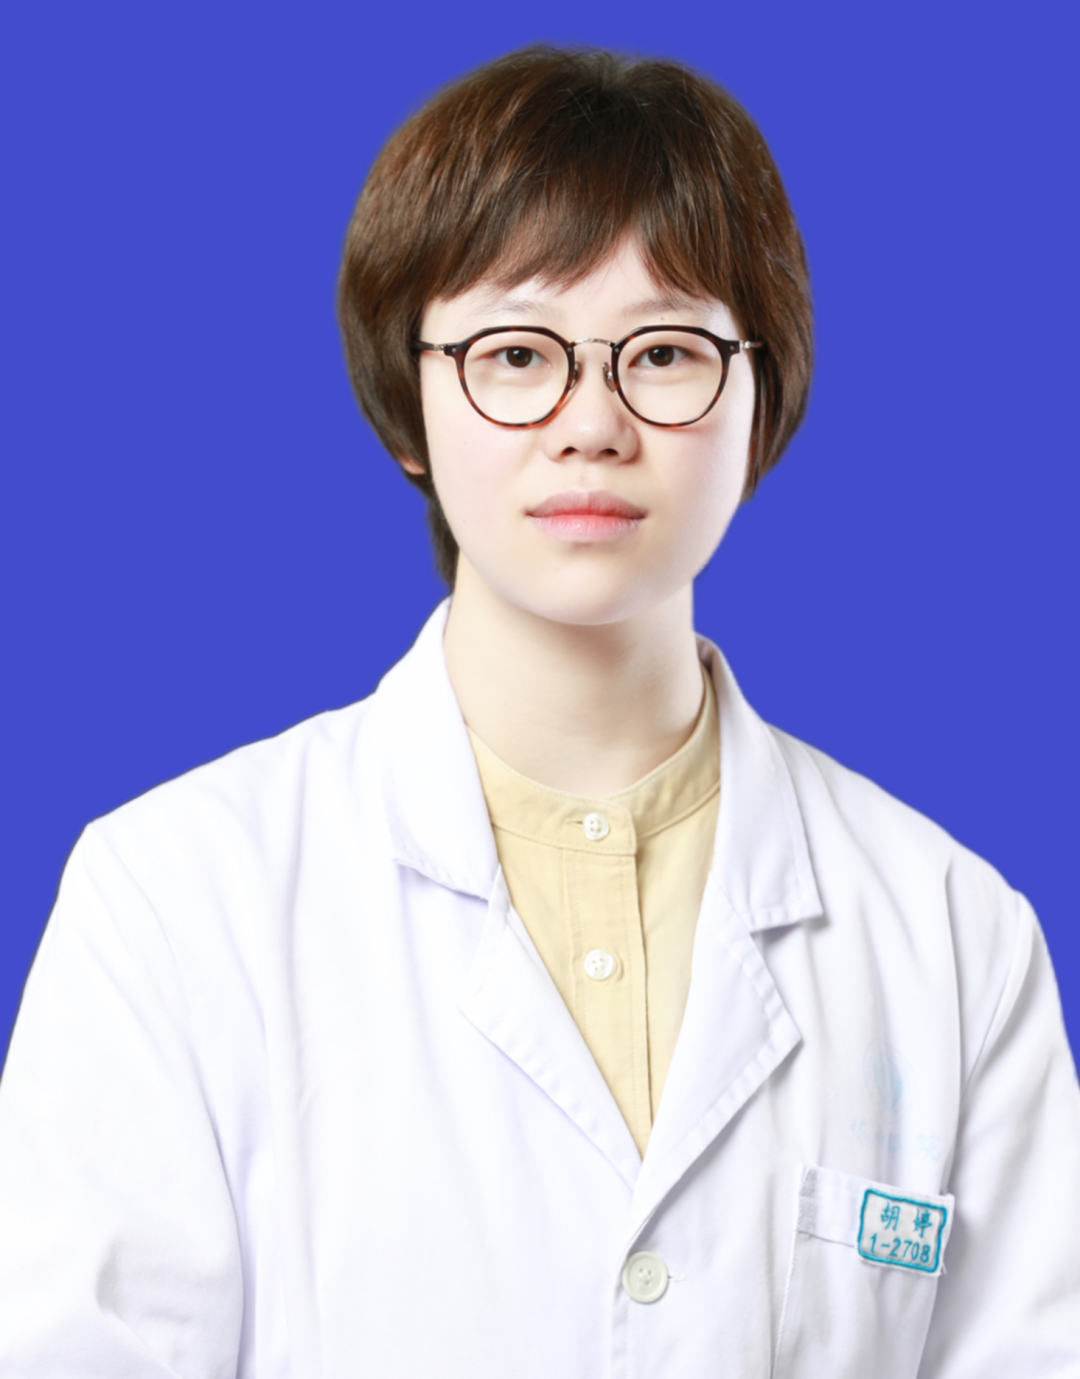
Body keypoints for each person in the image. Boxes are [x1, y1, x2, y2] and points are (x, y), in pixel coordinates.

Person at [0, 44, 1077, 1378]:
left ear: (761, 403)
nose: (592, 423)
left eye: (665, 352)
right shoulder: (174, 897)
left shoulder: (953, 932)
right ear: (408, 405)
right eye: (517, 353)